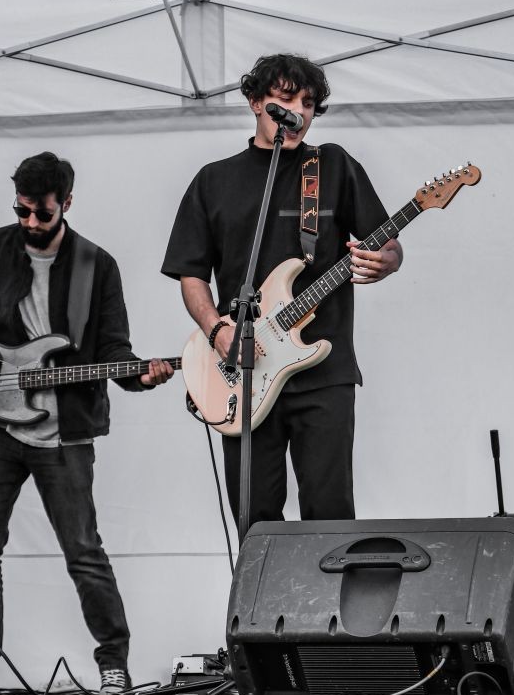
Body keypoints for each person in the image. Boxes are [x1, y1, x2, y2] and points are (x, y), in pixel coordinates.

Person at [0, 151, 173, 693]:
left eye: (41, 213)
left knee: (84, 553)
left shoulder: (97, 266)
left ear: (66, 203)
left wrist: (142, 375)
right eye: (21, 210)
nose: (29, 222)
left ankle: (113, 664)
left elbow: (114, 350)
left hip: (65, 433)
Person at [161, 54, 402, 525]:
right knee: (256, 520)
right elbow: (191, 275)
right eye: (286, 99)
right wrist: (217, 332)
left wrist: (389, 260)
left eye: (308, 103)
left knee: (330, 517)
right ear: (255, 102)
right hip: (245, 372)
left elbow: (387, 243)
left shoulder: (332, 166)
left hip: (323, 373)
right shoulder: (213, 181)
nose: (299, 112)